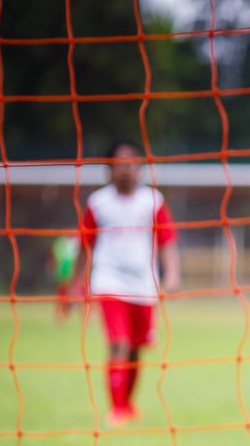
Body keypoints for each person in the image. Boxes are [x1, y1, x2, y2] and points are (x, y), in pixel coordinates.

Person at [75, 140, 181, 427]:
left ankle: (128, 404)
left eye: (132, 163)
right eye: (119, 164)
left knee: (135, 348)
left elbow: (167, 241)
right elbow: (85, 244)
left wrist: (171, 274)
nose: (126, 169)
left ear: (140, 167)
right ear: (109, 168)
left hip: (144, 285)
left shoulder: (153, 201)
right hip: (108, 281)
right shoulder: (98, 202)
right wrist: (77, 282)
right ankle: (117, 409)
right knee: (118, 342)